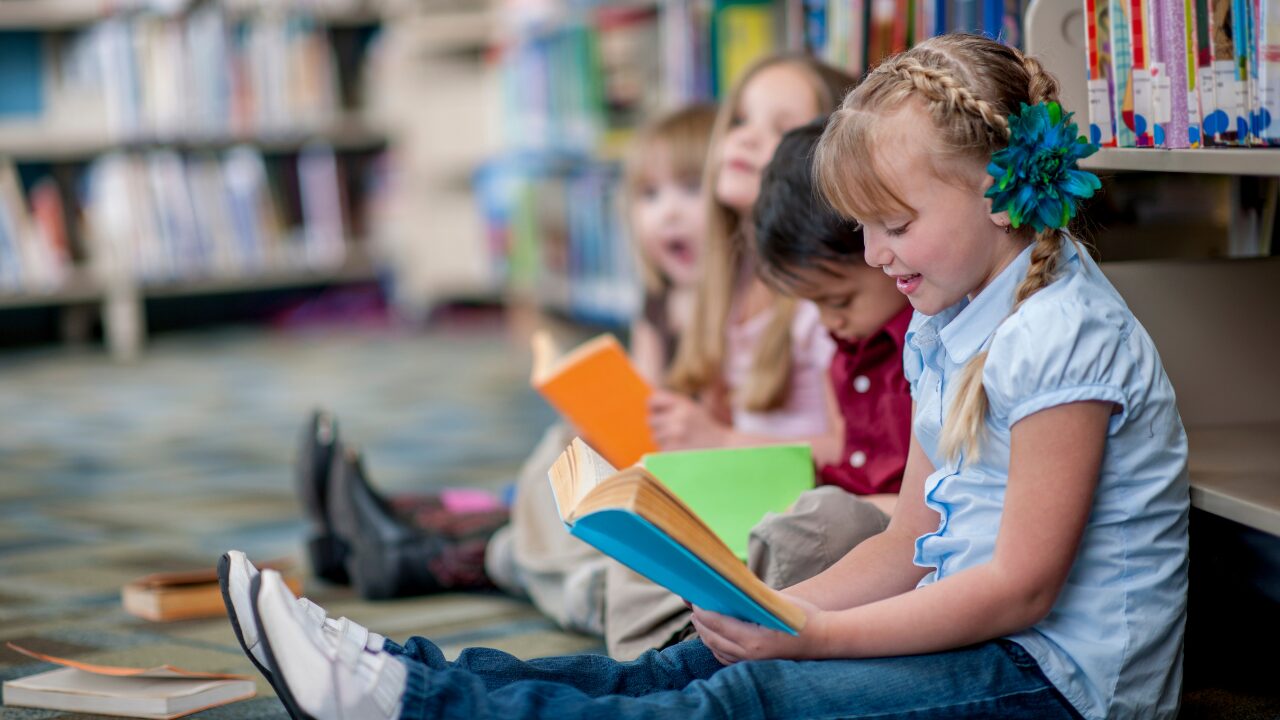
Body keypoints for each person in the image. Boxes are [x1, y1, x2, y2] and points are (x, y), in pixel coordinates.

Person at [226, 33, 1190, 719]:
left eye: (895, 226)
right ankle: (403, 678)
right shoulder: (945, 319)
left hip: (1059, 682)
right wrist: (772, 604)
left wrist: (812, 635)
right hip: (984, 639)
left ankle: (408, 706)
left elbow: (1021, 590)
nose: (875, 255)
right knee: (683, 667)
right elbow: (913, 534)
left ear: (996, 194)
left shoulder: (1061, 335)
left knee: (747, 698)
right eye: (863, 228)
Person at [602, 55, 857, 658]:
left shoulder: (822, 296)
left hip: (781, 499)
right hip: (734, 494)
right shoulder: (727, 279)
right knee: (557, 476)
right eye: (739, 118)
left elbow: (847, 450)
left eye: (776, 127)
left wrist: (715, 439)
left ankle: (556, 580)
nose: (741, 136)